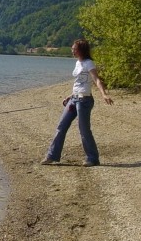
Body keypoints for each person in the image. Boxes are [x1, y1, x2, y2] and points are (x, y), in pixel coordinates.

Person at [42, 38, 113, 167]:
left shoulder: (89, 63)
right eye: (72, 49)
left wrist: (104, 94)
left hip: (84, 101)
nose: (72, 51)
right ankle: (52, 156)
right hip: (74, 99)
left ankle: (92, 158)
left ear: (81, 50)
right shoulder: (77, 63)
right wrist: (70, 96)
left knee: (84, 130)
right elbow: (79, 83)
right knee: (61, 127)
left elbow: (96, 79)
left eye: (74, 49)